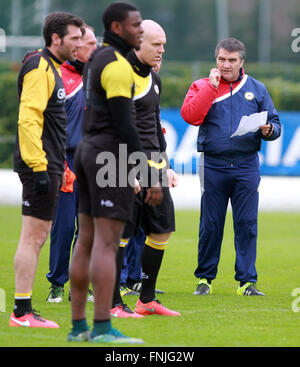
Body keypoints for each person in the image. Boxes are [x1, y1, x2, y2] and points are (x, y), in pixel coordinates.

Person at [68, 2, 162, 344]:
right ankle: (103, 327)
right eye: (136, 25)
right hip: (110, 157)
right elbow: (126, 125)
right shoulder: (119, 66)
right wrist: (148, 173)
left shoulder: (96, 58)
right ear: (118, 28)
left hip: (86, 150)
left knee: (87, 242)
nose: (141, 29)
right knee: (107, 245)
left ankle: (79, 327)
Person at [180, 38, 281, 296]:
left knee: (247, 224)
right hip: (213, 164)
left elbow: (275, 125)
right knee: (211, 224)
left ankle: (247, 282)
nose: (226, 65)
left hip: (247, 165)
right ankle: (204, 280)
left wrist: (269, 130)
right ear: (216, 60)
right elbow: (191, 116)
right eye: (221, 59)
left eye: (232, 60)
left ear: (241, 62)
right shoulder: (202, 86)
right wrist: (211, 88)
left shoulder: (257, 89)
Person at [10, 12, 83, 328]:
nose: (79, 44)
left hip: (49, 163)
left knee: (36, 237)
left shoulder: (49, 67)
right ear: (56, 39)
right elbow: (28, 118)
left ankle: (23, 309)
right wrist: (40, 167)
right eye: (74, 38)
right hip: (41, 164)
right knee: (32, 237)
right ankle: (21, 312)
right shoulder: (40, 66)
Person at [111, 19, 180, 318]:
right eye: (156, 44)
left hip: (153, 167)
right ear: (137, 43)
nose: (162, 50)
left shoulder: (154, 79)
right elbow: (111, 128)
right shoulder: (119, 76)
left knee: (161, 230)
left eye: (164, 44)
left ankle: (146, 300)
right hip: (121, 165)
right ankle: (112, 303)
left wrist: (165, 165)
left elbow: (153, 126)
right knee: (120, 236)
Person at [46, 25, 97, 304]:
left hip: (94, 162)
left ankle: (82, 283)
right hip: (65, 160)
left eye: (92, 42)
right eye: (85, 42)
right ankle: (56, 283)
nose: (90, 47)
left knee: (88, 229)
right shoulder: (58, 76)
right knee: (64, 227)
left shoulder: (100, 78)